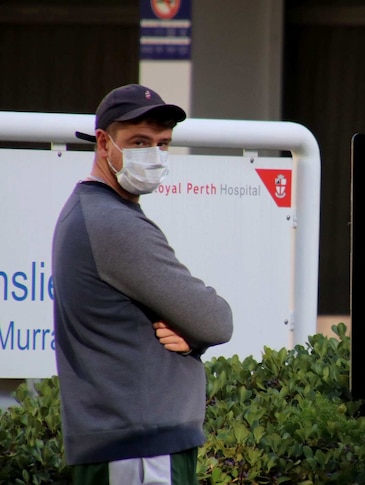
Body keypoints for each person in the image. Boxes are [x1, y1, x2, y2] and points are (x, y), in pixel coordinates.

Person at [53, 84, 234, 485]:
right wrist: (197, 331)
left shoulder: (100, 212)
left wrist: (192, 335)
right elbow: (216, 320)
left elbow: (198, 324)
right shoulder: (113, 224)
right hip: (139, 448)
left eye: (162, 143)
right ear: (103, 143)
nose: (153, 155)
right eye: (138, 142)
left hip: (136, 442)